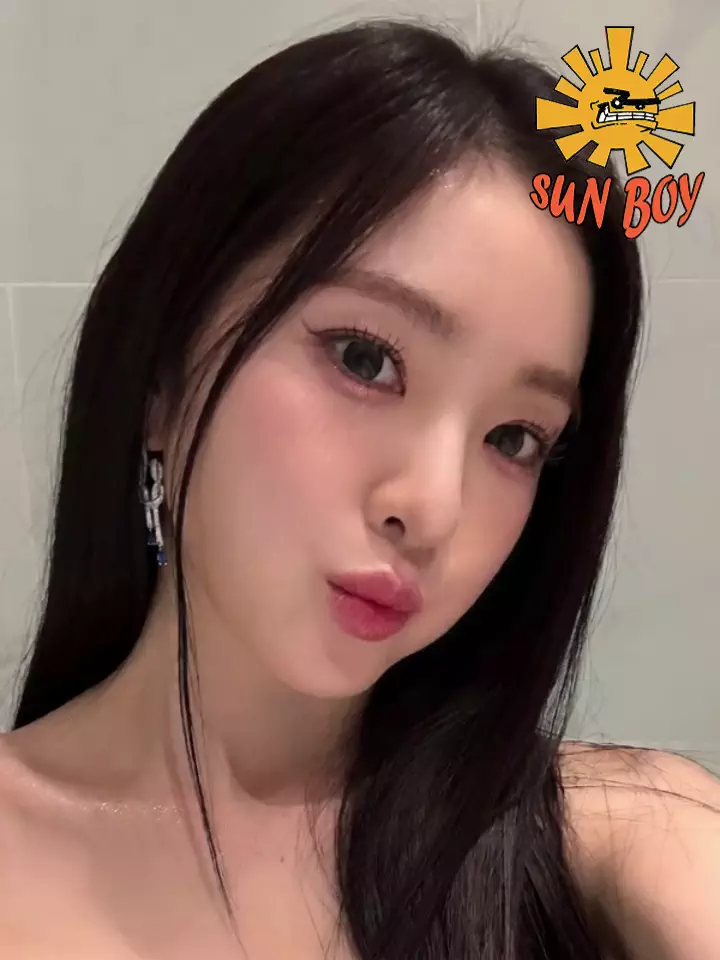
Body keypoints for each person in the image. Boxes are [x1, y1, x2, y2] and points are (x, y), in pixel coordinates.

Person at [0, 17, 717, 960]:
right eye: (364, 358)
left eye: (514, 438)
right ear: (162, 383)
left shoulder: (605, 840)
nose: (433, 507)